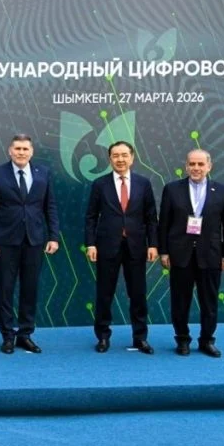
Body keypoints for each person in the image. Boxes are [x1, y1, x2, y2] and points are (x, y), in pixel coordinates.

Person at [0, 134, 60, 354]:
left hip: (34, 240)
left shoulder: (43, 173)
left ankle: (25, 334)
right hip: (5, 241)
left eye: (25, 149)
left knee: (30, 288)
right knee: (6, 289)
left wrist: (54, 236)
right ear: (10, 150)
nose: (21, 152)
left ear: (31, 151)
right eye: (17, 148)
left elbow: (50, 206)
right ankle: (7, 335)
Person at [158, 149, 224, 357]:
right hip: (179, 254)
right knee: (179, 302)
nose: (196, 168)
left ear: (209, 166)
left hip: (210, 255)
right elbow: (163, 223)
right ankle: (182, 340)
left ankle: (207, 341)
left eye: (201, 164)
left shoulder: (222, 190)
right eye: (192, 164)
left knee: (209, 302)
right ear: (186, 166)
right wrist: (163, 252)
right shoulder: (172, 189)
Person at [84, 141, 157, 354]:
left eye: (124, 155)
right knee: (104, 294)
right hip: (107, 246)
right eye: (115, 156)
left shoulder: (143, 183)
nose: (120, 159)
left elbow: (151, 218)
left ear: (132, 158)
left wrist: (153, 244)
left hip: (136, 246)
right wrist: (90, 244)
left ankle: (140, 338)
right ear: (110, 159)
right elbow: (90, 217)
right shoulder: (100, 184)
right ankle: (103, 337)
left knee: (138, 294)